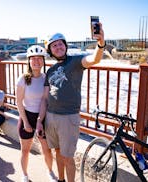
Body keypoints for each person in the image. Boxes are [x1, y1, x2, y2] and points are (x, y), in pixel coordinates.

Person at [37, 24, 105, 182]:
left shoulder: (75, 62)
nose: (58, 47)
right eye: (54, 45)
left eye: (60, 43)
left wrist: (101, 43)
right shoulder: (50, 70)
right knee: (58, 153)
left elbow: (94, 59)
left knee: (68, 157)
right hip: (50, 117)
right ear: (50, 51)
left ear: (65, 46)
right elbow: (45, 98)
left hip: (68, 118)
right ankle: (61, 179)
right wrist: (40, 121)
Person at [16, 45, 56, 182]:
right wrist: (26, 122)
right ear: (29, 61)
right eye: (33, 59)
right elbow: (19, 102)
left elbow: (46, 100)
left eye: (40, 59)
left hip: (43, 117)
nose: (37, 61)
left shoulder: (46, 78)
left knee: (46, 150)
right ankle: (25, 175)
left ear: (44, 61)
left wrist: (41, 120)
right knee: (25, 150)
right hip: (26, 116)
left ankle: (50, 173)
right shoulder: (23, 79)